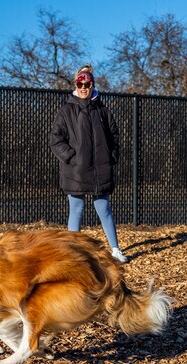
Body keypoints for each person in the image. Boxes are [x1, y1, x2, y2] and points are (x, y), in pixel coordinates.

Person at [49, 65, 128, 263]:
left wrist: (112, 156)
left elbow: (114, 137)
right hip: (76, 170)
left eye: (87, 84)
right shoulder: (66, 110)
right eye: (80, 84)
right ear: (76, 84)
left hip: (100, 169)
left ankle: (115, 250)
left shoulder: (103, 111)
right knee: (76, 210)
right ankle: (72, 253)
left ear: (92, 85)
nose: (84, 87)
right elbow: (55, 139)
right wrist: (71, 157)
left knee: (104, 209)